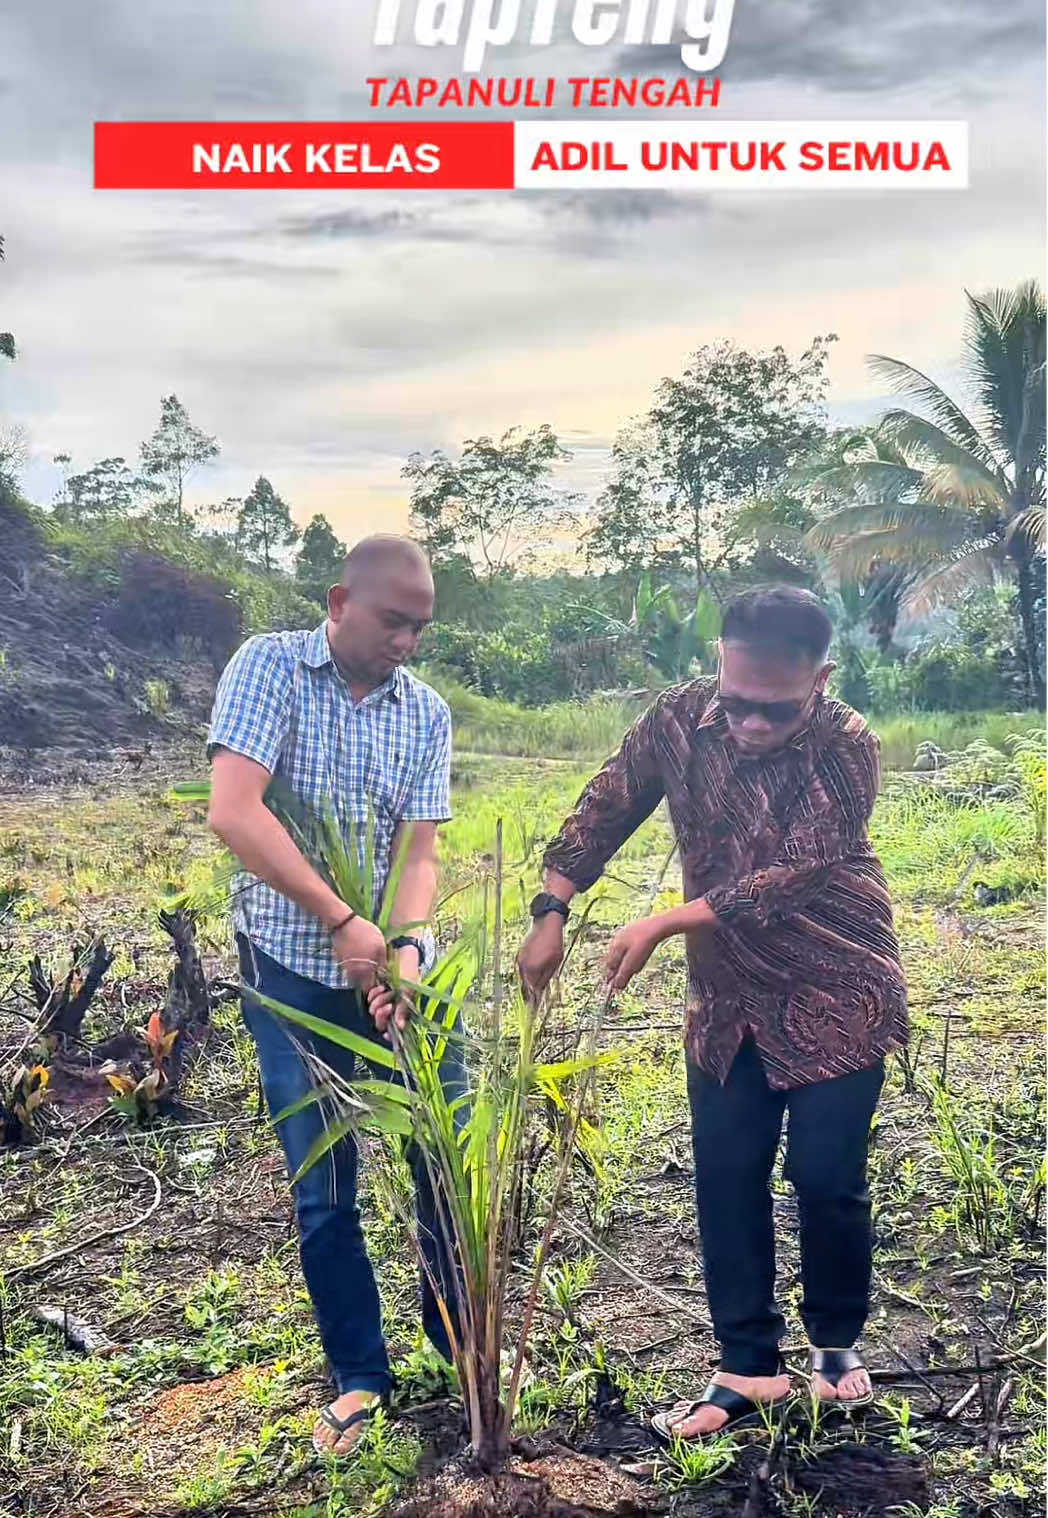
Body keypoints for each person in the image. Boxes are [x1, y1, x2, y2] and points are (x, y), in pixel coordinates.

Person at [516, 585, 907, 1441]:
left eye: (774, 709)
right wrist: (551, 909)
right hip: (727, 997)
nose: (750, 724)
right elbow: (607, 802)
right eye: (736, 702)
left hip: (837, 987)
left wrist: (663, 920)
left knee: (824, 1177)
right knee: (727, 1177)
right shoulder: (679, 720)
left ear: (821, 677)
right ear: (717, 667)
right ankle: (747, 1368)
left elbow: (794, 874)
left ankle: (835, 1345)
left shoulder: (847, 745)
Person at [207, 535, 462, 1456]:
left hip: (390, 976)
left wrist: (403, 948)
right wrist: (341, 922)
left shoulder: (425, 712)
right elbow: (236, 810)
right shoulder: (270, 667)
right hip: (290, 973)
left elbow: (420, 850)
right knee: (325, 1184)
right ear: (339, 601)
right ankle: (359, 1376)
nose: (407, 641)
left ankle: (461, 1345)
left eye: (420, 628)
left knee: (444, 1156)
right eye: (394, 621)